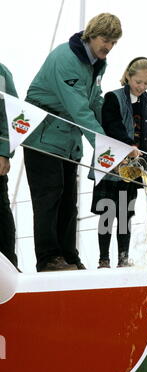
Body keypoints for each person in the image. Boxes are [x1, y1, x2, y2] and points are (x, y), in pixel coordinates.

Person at [23, 13, 122, 272]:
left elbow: (95, 101)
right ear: (91, 35)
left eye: (113, 42)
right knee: (49, 198)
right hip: (42, 137)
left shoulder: (98, 63)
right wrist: (104, 149)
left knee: (68, 201)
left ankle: (68, 256)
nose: (108, 46)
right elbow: (79, 110)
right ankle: (48, 258)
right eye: (104, 39)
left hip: (68, 139)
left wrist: (118, 139)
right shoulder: (66, 58)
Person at [91, 57, 147, 268]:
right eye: (138, 82)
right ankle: (103, 259)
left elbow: (143, 137)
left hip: (132, 167)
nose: (142, 87)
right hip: (110, 163)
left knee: (125, 214)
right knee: (107, 211)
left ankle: (122, 258)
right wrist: (129, 145)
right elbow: (112, 126)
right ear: (128, 76)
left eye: (146, 83)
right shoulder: (113, 97)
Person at [0, 63, 19, 270]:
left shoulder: (2, 73)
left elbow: (11, 113)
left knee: (1, 209)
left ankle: (9, 266)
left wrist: (4, 152)